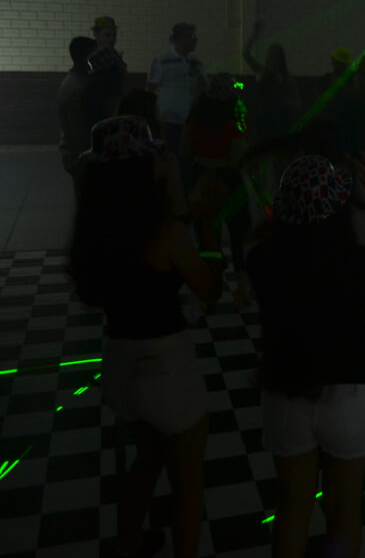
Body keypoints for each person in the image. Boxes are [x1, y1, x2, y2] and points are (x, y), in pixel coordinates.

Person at [247, 151, 365, 558]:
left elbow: (271, 232)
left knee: (292, 508)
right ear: (340, 210)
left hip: (285, 390)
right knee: (344, 508)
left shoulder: (261, 260)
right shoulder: (358, 263)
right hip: (351, 393)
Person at [69, 116, 224, 558]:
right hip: (167, 366)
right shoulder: (164, 233)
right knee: (188, 483)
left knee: (148, 458)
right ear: (142, 168)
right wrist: (207, 225)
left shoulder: (94, 230)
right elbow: (209, 290)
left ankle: (129, 544)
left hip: (118, 363)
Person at [180, 74, 253, 310]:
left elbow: (184, 149)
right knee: (238, 234)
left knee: (207, 236)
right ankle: (242, 290)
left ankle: (209, 292)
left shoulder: (194, 117)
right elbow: (237, 156)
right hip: (228, 179)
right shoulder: (234, 120)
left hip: (201, 175)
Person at [147, 22, 208, 160]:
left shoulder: (197, 63)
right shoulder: (163, 61)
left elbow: (205, 89)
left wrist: (197, 75)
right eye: (190, 36)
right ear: (177, 39)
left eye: (195, 36)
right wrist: (154, 118)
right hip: (168, 121)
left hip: (191, 121)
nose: (195, 40)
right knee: (170, 157)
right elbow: (150, 89)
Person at [243, 21, 299, 141]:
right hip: (265, 119)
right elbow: (246, 54)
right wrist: (254, 35)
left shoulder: (284, 77)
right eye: (270, 55)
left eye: (274, 56)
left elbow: (295, 101)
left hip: (278, 120)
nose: (271, 58)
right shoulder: (265, 72)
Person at [57, 36, 97, 200]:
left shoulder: (79, 80)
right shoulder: (77, 88)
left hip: (77, 154)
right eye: (94, 55)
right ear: (84, 58)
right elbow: (77, 131)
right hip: (79, 155)